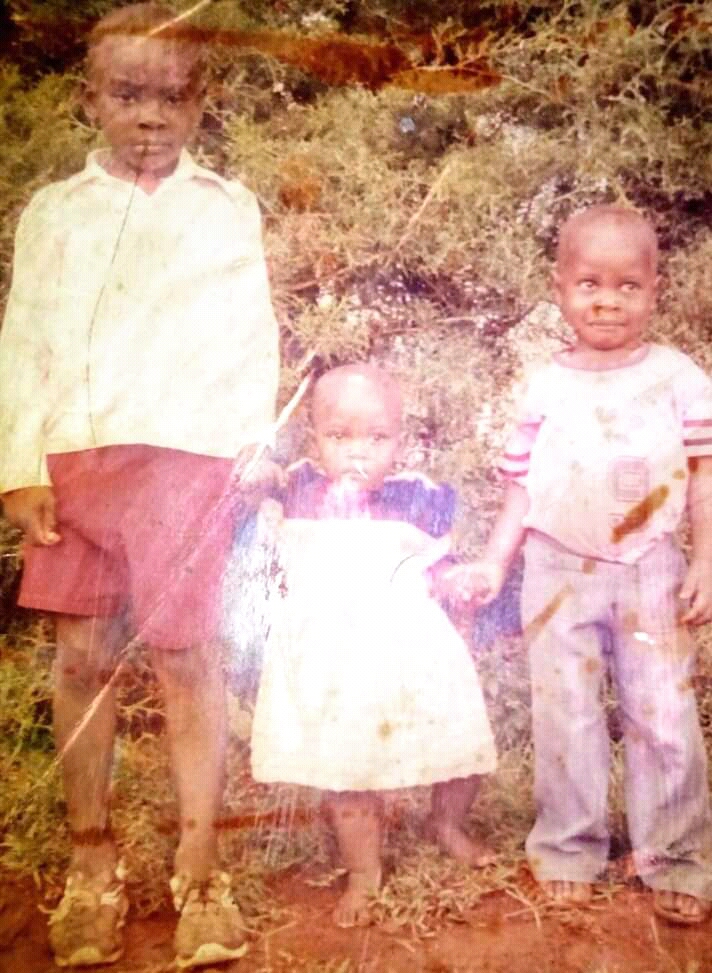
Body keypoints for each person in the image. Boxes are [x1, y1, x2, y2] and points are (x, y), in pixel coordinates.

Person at [0, 4, 280, 967]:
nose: (151, 116)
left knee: (188, 656)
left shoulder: (225, 206)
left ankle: (201, 867)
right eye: (128, 95)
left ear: (201, 103)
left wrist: (246, 451)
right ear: (91, 100)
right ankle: (92, 864)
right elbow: (24, 341)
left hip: (188, 460)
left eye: (172, 96)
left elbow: (251, 336)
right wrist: (18, 468)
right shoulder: (56, 211)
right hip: (79, 459)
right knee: (82, 658)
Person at [450, 205, 712, 924]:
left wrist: (706, 561)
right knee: (566, 713)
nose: (607, 301)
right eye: (590, 283)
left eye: (628, 286)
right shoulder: (545, 384)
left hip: (651, 566)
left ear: (655, 291)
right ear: (560, 288)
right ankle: (569, 847)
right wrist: (496, 561)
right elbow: (522, 487)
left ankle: (675, 856)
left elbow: (704, 475)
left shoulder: (679, 378)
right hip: (556, 568)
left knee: (663, 714)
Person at [248, 363, 497, 927]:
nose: (358, 452)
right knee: (349, 767)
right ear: (313, 439)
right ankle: (364, 871)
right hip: (334, 658)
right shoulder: (295, 488)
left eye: (377, 438)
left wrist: (459, 582)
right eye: (340, 436)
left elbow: (438, 566)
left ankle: (447, 823)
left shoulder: (418, 496)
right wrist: (257, 473)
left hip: (412, 646)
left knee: (459, 736)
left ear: (400, 441)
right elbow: (250, 499)